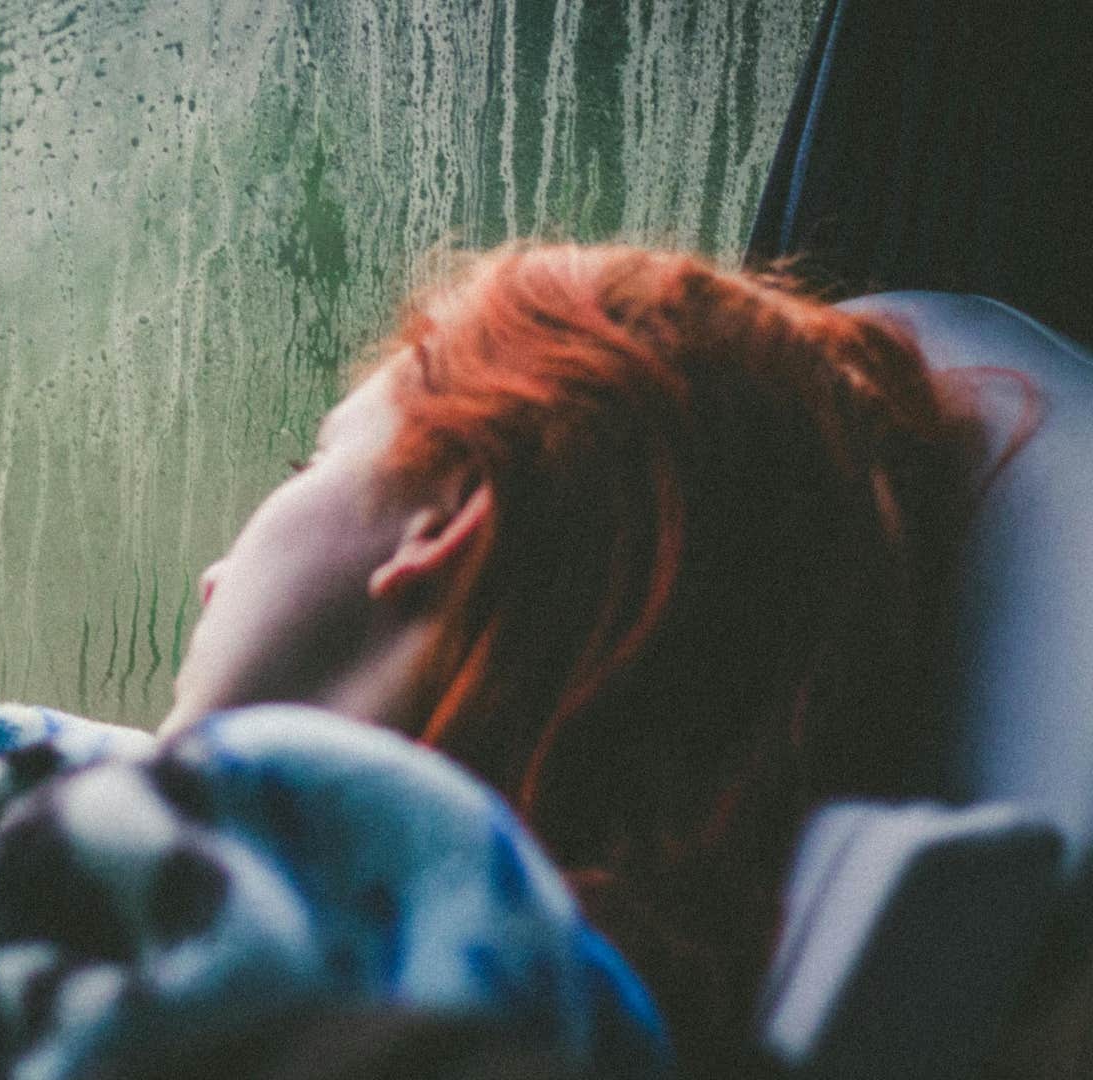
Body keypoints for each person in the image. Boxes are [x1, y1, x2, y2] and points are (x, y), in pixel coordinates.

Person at [161, 242, 1031, 1076]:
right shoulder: (538, 1011)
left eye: (311, 462)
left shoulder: (207, 955)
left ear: (449, 517)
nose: (215, 577)